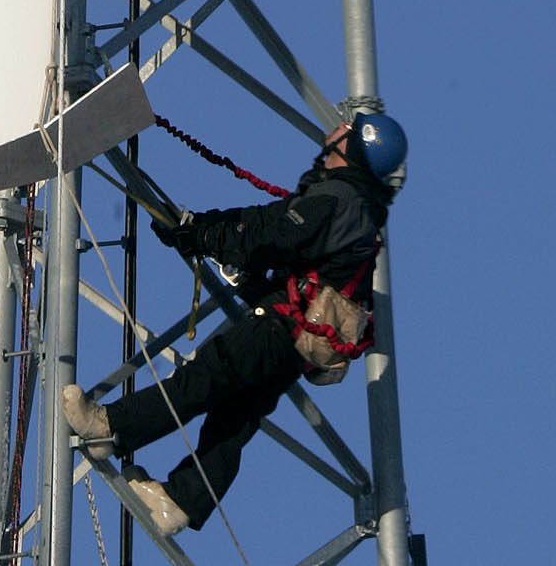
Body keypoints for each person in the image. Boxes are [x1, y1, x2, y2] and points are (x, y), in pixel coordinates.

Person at [61, 112, 406, 540]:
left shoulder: (338, 199)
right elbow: (269, 231)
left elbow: (271, 234)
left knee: (207, 376)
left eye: (347, 129)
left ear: (351, 148)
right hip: (295, 346)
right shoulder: (357, 211)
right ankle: (181, 501)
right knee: (234, 416)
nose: (337, 128)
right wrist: (202, 229)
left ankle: (109, 427)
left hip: (279, 330)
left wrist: (203, 236)